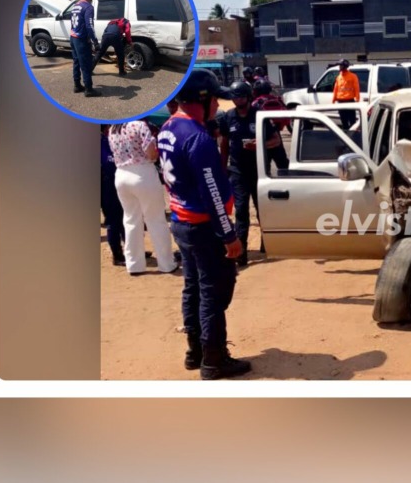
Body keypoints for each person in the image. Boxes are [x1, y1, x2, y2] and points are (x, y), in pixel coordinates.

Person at [158, 68, 251, 380]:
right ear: (202, 99)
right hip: (203, 227)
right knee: (213, 292)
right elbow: (212, 192)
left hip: (182, 223)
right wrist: (230, 236)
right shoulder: (198, 138)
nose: (218, 106)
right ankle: (214, 359)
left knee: (193, 287)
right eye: (215, 99)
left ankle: (195, 351)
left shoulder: (169, 128)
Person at [218, 80, 283, 265]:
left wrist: (259, 145)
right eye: (235, 97)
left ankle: (266, 243)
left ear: (248, 96)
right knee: (241, 211)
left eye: (241, 96)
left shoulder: (260, 116)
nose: (238, 100)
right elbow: (224, 144)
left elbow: (276, 140)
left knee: (262, 208)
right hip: (237, 171)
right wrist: (223, 168)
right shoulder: (227, 117)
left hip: (259, 170)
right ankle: (242, 252)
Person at [108, 121, 177, 275]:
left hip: (121, 174)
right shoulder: (139, 125)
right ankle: (166, 263)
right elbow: (151, 153)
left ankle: (134, 265)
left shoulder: (113, 127)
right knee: (156, 219)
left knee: (131, 220)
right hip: (142, 172)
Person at [100, 126, 125, 266]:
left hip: (115, 182)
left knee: (125, 217)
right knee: (114, 220)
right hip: (107, 184)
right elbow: (109, 162)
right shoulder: (100, 142)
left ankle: (131, 249)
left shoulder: (107, 140)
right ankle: (117, 255)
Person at [252, 79, 291, 168]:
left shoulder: (255, 103)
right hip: (276, 136)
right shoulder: (277, 100)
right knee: (283, 164)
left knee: (264, 167)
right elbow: (287, 118)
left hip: (261, 137)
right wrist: (279, 127)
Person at [70, 0, 101, 97]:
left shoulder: (75, 6)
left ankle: (77, 85)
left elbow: (72, 24)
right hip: (81, 40)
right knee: (86, 64)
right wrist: (95, 42)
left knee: (76, 62)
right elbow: (89, 26)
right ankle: (89, 89)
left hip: (73, 37)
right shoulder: (88, 7)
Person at [331, 58, 360, 130]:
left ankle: (353, 136)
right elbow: (336, 89)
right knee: (344, 121)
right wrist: (333, 99)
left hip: (350, 101)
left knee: (352, 121)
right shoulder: (339, 77)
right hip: (341, 102)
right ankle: (346, 135)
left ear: (345, 66)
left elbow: (356, 87)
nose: (339, 67)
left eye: (340, 66)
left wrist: (357, 99)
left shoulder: (353, 76)